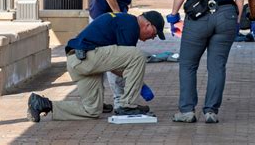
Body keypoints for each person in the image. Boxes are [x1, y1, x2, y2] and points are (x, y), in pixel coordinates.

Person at [166, 0, 244, 123]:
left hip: (199, 17)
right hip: (226, 13)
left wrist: (174, 15)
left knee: (188, 64)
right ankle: (211, 112)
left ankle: (187, 111)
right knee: (217, 66)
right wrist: (236, 21)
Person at [26, 11, 165, 122]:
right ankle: (127, 105)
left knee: (92, 110)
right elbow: (126, 65)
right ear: (147, 25)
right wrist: (141, 86)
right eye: (154, 34)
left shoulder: (123, 20)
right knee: (138, 56)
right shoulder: (131, 25)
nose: (152, 38)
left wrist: (138, 82)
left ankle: (42, 104)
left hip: (78, 61)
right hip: (86, 57)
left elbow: (117, 66)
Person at [89, 0, 153, 111]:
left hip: (99, 14)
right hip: (107, 17)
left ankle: (96, 103)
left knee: (98, 60)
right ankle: (121, 102)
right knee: (119, 57)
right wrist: (118, 13)